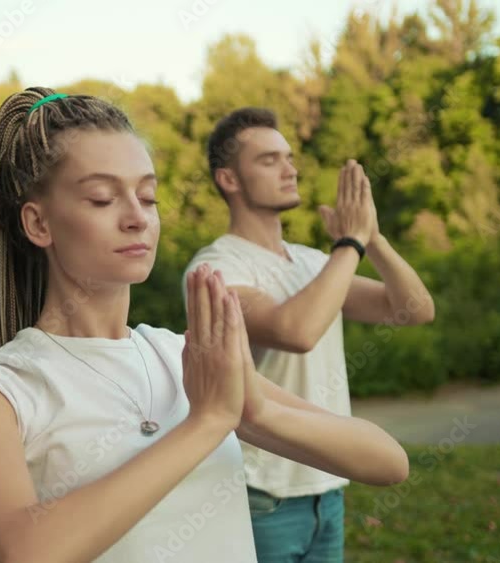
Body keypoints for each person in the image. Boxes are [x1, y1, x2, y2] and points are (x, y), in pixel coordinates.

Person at [0, 88, 409, 563]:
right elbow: (21, 551)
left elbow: (388, 461)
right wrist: (207, 423)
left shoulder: (183, 355)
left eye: (148, 196)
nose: (137, 218)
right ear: (38, 224)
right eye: (101, 199)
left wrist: (254, 410)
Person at [183, 107, 435, 562]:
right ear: (229, 180)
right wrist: (349, 245)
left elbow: (414, 309)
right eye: (269, 160)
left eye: (289, 156)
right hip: (263, 494)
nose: (290, 168)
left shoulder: (312, 262)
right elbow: (296, 331)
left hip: (327, 486)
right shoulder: (216, 267)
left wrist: (371, 237)